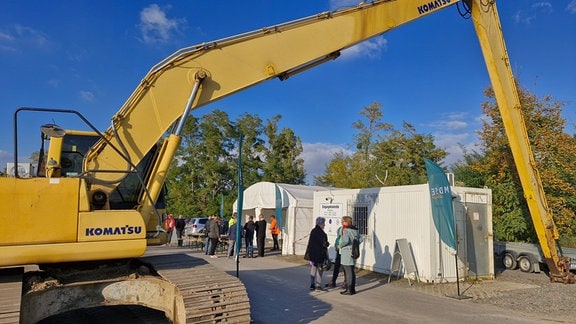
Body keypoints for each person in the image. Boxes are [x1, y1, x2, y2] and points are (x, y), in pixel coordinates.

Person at [304, 217, 329, 291]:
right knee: (320, 269)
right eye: (323, 223)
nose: (324, 225)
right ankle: (318, 285)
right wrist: (327, 244)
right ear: (320, 224)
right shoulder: (322, 233)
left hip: (313, 253)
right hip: (320, 254)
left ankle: (312, 284)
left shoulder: (313, 231)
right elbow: (323, 243)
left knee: (313, 268)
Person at [338, 216, 361, 295]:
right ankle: (352, 289)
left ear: (345, 222)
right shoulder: (355, 229)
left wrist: (339, 246)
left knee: (348, 272)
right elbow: (361, 239)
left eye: (342, 221)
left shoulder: (346, 230)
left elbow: (345, 240)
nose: (341, 222)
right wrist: (355, 245)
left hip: (346, 252)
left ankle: (349, 289)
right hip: (354, 252)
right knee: (351, 271)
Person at [327, 222, 345, 289]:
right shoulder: (340, 229)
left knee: (345, 267)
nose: (342, 223)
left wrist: (340, 246)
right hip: (338, 250)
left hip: (344, 250)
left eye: (343, 221)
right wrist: (336, 245)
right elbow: (338, 238)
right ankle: (333, 281)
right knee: (336, 266)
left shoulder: (348, 230)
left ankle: (345, 282)